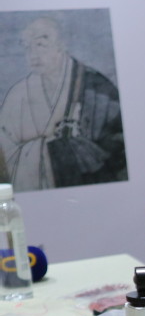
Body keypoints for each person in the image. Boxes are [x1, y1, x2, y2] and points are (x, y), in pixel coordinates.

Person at [0, 16, 126, 191]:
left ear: (62, 46)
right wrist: (53, 147)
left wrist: (72, 147)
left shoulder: (96, 88)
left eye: (41, 45)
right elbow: (5, 154)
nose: (33, 55)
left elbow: (118, 150)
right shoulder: (18, 95)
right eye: (27, 47)